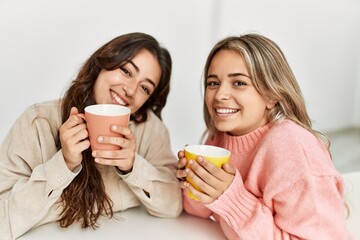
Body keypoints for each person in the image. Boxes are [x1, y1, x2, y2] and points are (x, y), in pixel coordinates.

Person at [0, 32, 182, 239]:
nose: (131, 90)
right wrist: (64, 164)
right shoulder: (37, 122)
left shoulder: (150, 129)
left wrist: (132, 166)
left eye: (145, 88)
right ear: (101, 65)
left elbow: (173, 205)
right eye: (126, 71)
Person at [176, 33, 353, 239]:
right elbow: (198, 212)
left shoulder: (292, 147)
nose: (220, 95)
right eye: (213, 83)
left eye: (239, 83)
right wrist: (196, 182)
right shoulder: (221, 137)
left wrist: (231, 198)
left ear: (271, 95)